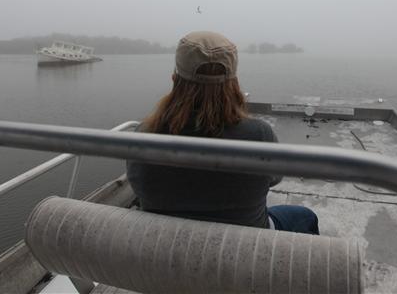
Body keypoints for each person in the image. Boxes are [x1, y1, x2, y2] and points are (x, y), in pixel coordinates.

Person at [126, 31, 319, 235]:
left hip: (166, 244)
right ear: (233, 84)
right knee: (305, 216)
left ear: (174, 79)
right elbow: (275, 178)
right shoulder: (258, 135)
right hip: (245, 243)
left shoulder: (144, 135)